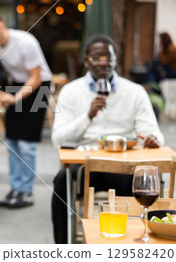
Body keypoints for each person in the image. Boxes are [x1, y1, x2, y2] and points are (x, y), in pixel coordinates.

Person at [51, 34, 164, 243]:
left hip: (124, 164)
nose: (103, 62)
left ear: (115, 59)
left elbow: (154, 133)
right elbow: (58, 138)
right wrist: (88, 117)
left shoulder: (135, 92)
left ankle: (135, 241)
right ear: (86, 61)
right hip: (86, 163)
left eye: (108, 57)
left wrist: (151, 139)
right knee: (61, 182)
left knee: (147, 183)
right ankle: (63, 248)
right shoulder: (71, 91)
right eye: (97, 57)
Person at [0, 10, 52, 209]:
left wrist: (15, 98)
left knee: (26, 144)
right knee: (11, 141)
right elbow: (2, 74)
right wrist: (2, 95)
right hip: (16, 87)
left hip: (39, 87)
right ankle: (16, 188)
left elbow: (36, 78)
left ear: (0, 26)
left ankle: (26, 192)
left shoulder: (26, 42)